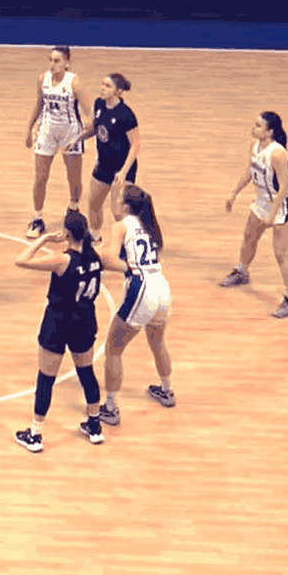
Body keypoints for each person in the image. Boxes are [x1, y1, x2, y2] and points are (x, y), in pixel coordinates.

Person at [12, 210, 107, 453]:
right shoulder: (96, 258)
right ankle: (94, 425)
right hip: (85, 320)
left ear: (65, 233)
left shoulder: (61, 260)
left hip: (58, 322)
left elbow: (21, 260)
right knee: (86, 371)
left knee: (46, 377)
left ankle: (35, 434)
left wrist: (44, 239)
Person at [94, 185, 175, 424]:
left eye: (119, 199)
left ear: (126, 206)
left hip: (142, 290)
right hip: (162, 287)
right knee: (157, 342)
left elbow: (109, 259)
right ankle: (167, 390)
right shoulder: (150, 225)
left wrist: (128, 268)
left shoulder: (121, 226)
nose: (117, 203)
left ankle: (110, 407)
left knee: (113, 348)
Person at [219, 111, 288, 319]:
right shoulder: (255, 146)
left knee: (281, 254)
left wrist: (272, 215)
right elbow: (250, 171)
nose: (253, 129)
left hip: (281, 205)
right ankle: (242, 271)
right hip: (262, 201)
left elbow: (284, 187)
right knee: (249, 237)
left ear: (269, 132)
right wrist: (234, 194)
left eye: (258, 126)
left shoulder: (277, 154)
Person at [21, 46, 88, 240]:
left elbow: (87, 111)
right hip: (47, 130)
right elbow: (39, 105)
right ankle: (37, 218)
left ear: (67, 62)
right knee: (40, 177)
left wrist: (81, 136)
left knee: (73, 177)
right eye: (50, 60)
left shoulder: (74, 82)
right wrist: (29, 129)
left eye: (57, 60)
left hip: (70, 131)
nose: (52, 64)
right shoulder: (42, 79)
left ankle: (73, 208)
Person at [71, 73, 140, 236]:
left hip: (122, 168)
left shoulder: (126, 114)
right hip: (103, 164)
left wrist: (123, 172)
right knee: (93, 204)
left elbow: (135, 144)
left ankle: (128, 243)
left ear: (118, 91)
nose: (102, 88)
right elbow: (97, 129)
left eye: (107, 86)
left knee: (118, 212)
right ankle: (95, 237)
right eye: (102, 84)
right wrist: (78, 139)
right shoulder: (99, 104)